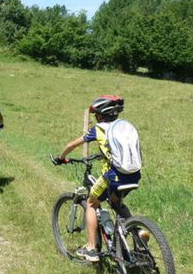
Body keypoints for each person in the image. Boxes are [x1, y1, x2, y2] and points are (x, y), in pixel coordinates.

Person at [53, 95, 141, 262]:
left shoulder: (98, 129)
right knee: (116, 203)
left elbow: (72, 144)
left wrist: (61, 157)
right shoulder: (123, 127)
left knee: (92, 202)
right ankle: (136, 232)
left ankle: (92, 248)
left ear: (101, 115)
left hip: (114, 175)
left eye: (96, 115)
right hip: (133, 175)